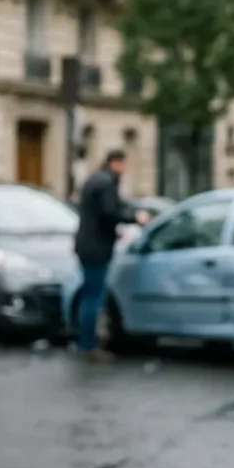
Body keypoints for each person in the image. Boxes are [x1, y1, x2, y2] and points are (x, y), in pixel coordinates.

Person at [74, 150, 150, 362]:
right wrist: (136, 217)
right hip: (97, 247)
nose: (125, 170)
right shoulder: (107, 182)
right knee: (94, 296)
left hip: (86, 245)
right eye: (124, 164)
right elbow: (111, 212)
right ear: (117, 163)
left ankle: (84, 342)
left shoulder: (95, 179)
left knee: (90, 294)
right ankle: (87, 345)